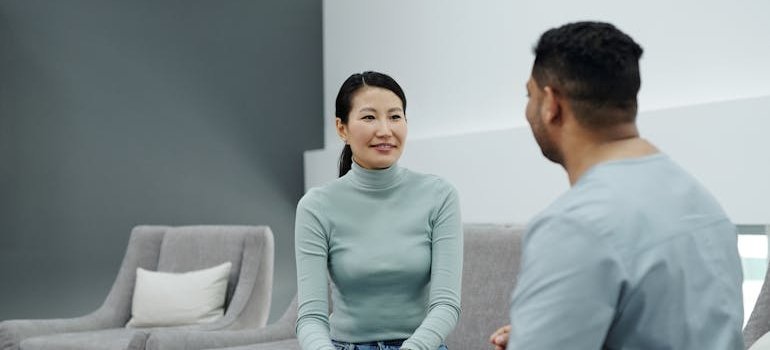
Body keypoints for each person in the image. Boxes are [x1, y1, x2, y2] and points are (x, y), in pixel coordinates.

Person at [489, 21, 744, 349]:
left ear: (552, 103)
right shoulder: (703, 204)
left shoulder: (574, 225)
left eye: (530, 94)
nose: (527, 109)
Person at [295, 71, 462, 350]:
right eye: (369, 117)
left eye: (395, 117)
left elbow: (446, 305)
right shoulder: (316, 206)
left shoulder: (440, 196)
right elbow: (311, 317)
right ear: (342, 128)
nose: (385, 130)